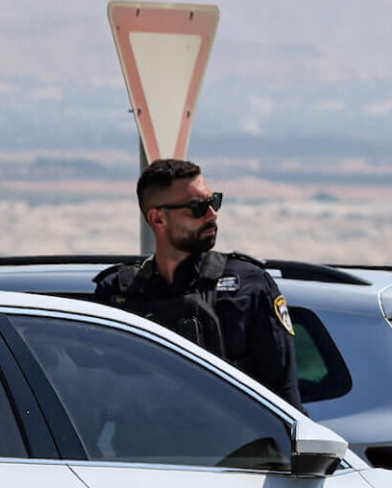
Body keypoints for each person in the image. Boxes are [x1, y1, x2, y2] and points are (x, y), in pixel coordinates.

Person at [93, 158, 301, 407]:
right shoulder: (119, 291)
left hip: (231, 445)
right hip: (142, 443)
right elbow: (100, 391)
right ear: (158, 219)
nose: (212, 214)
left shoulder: (249, 286)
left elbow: (284, 396)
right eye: (198, 207)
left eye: (214, 202)